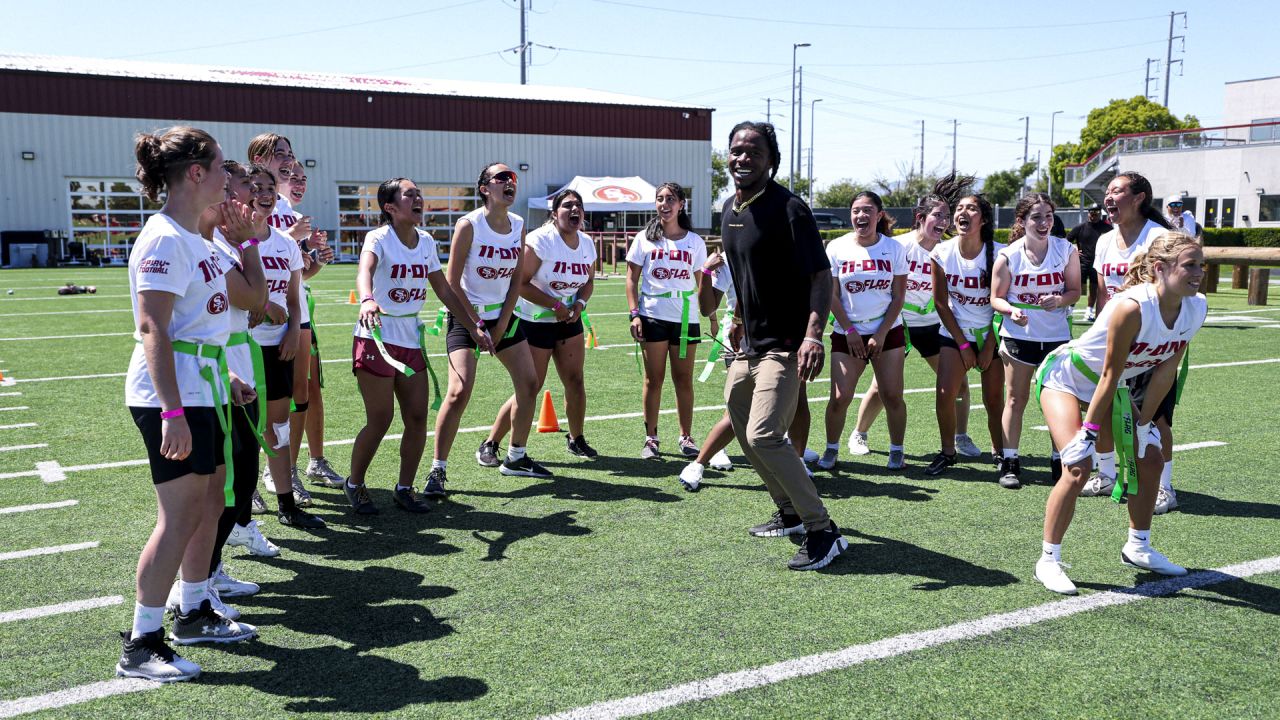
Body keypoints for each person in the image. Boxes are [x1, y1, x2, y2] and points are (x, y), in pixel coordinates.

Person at [119, 126, 256, 684]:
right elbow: (153, 326)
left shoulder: (196, 239)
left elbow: (196, 324)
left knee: (207, 507)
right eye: (223, 167)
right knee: (178, 518)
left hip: (203, 386)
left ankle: (194, 610)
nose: (229, 178)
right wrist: (173, 412)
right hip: (169, 397)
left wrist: (225, 374)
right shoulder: (164, 239)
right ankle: (142, 641)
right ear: (195, 173)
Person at [1033, 231, 1206, 594]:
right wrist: (1089, 433)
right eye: (1190, 265)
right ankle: (1048, 559)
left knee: (1152, 458)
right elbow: (1109, 373)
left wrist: (1144, 425)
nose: (1199, 272)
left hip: (1113, 385)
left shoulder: (1197, 306)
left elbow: (1165, 370)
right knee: (1078, 467)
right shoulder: (1131, 306)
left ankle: (1138, 547)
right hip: (1068, 377)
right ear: (1160, 268)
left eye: (1201, 265)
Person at [720, 120, 846, 571]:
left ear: (771, 160)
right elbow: (744, 274)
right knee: (740, 424)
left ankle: (822, 530)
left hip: (787, 344)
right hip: (749, 344)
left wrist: (813, 333)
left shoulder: (791, 208)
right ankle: (789, 510)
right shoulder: (730, 209)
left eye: (753, 152)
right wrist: (737, 317)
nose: (743, 158)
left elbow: (820, 276)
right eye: (736, 150)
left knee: (765, 434)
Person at [346, 178, 491, 515]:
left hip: (410, 338)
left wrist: (474, 327)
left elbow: (443, 290)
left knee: (415, 418)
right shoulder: (378, 237)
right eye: (409, 194)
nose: (418, 199)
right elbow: (364, 269)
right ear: (390, 207)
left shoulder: (425, 241)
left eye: (418, 194)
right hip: (376, 337)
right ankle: (354, 484)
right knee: (380, 420)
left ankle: (404, 488)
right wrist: (367, 300)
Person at [188, 161, 273, 622]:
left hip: (236, 364)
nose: (249, 197)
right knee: (223, 484)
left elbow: (252, 300)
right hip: (213, 370)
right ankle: (199, 584)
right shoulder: (209, 243)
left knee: (239, 478)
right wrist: (248, 246)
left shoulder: (220, 242)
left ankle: (210, 571)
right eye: (243, 188)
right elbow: (253, 297)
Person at [432, 162, 547, 493]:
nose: (510, 183)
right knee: (459, 391)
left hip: (503, 318)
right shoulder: (469, 224)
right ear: (484, 188)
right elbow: (451, 283)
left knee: (529, 383)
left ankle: (516, 457)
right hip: (466, 316)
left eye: (513, 178)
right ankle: (438, 470)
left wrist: (500, 326)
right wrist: (476, 326)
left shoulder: (519, 224)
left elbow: (515, 280)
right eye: (502, 178)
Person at [850, 179, 984, 460]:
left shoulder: (948, 250)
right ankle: (859, 433)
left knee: (959, 384)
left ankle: (961, 436)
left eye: (946, 216)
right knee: (881, 386)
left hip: (934, 325)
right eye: (937, 215)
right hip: (901, 324)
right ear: (920, 218)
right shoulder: (899, 246)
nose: (944, 221)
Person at [678, 250, 817, 491]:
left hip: (784, 334)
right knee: (738, 407)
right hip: (744, 338)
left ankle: (798, 458)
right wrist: (707, 271)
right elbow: (707, 307)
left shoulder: (787, 249)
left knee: (798, 399)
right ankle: (700, 461)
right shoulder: (729, 256)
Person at [482, 189, 599, 460]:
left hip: (569, 321)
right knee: (529, 387)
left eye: (578, 206)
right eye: (567, 205)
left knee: (575, 380)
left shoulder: (587, 243)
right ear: (554, 212)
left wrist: (579, 305)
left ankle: (576, 438)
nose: (574, 210)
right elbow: (520, 284)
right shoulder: (540, 240)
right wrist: (555, 306)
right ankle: (490, 442)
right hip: (535, 322)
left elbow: (589, 281)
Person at [1081, 172, 1175, 502]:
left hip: (1154, 339)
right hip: (1119, 339)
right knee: (1106, 406)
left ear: (1138, 198)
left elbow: (1169, 290)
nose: (1109, 197)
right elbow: (1105, 294)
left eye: (1117, 191)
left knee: (1155, 415)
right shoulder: (1105, 240)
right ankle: (1106, 475)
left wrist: (1135, 295)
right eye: (1107, 191)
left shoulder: (1158, 238)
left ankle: (1165, 486)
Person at [241, 167, 325, 529]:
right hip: (242, 350)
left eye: (269, 187)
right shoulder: (229, 241)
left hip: (280, 346)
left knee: (278, 427)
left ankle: (287, 506)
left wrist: (293, 331)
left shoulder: (284, 242)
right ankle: (242, 506)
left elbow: (295, 297)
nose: (263, 192)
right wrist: (259, 306)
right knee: (245, 429)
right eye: (255, 187)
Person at [990, 193, 1080, 488]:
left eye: (1048, 217)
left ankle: (1059, 459)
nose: (1044, 223)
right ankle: (1010, 462)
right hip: (1019, 336)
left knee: (1059, 399)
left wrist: (1059, 298)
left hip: (1056, 337)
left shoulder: (1065, 249)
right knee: (1016, 399)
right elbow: (996, 298)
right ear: (1022, 221)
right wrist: (1012, 311)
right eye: (1036, 217)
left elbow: (1074, 291)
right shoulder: (1008, 255)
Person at [817, 191, 908, 471]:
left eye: (868, 210)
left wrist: (880, 333)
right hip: (848, 333)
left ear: (879, 215)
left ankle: (897, 451)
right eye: (856, 210)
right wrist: (850, 330)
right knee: (840, 397)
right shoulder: (836, 248)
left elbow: (899, 295)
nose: (861, 216)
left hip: (887, 332)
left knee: (892, 395)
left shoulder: (893, 249)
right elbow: (831, 296)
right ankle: (831, 449)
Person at [925, 193, 1006, 476]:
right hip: (954, 333)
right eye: (959, 208)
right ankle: (948, 452)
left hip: (992, 334)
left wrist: (986, 348)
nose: (963, 213)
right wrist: (963, 345)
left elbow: (1005, 304)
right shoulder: (942, 252)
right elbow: (939, 302)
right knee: (945, 393)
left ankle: (1001, 453)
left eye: (971, 209)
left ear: (982, 219)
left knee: (994, 400)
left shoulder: (1000, 253)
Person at [626, 182, 707, 460]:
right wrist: (634, 314)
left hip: (685, 318)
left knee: (683, 379)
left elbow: (700, 284)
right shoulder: (644, 238)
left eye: (670, 199)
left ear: (681, 204)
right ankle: (651, 438)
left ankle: (686, 436)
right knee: (653, 379)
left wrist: (713, 315)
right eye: (660, 199)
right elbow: (631, 280)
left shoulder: (695, 242)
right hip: (652, 315)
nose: (664, 204)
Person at [1065, 204, 1109, 321]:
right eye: (1091, 213)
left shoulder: (1107, 228)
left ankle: (1089, 312)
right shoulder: (1080, 227)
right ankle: (1070, 310)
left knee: (1095, 288)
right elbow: (1065, 242)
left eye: (1096, 213)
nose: (1094, 215)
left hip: (1099, 264)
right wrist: (1074, 250)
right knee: (1077, 288)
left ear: (1100, 213)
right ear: (1088, 213)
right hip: (1082, 263)